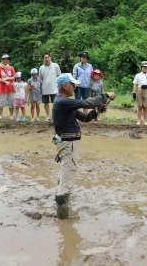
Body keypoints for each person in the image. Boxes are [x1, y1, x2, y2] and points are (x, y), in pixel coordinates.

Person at [52, 73, 115, 219]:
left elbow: (85, 118)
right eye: (72, 84)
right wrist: (105, 95)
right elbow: (87, 103)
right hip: (68, 144)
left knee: (66, 173)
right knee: (68, 176)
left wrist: (98, 110)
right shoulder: (62, 102)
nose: (75, 86)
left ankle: (63, 211)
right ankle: (62, 219)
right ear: (64, 85)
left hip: (69, 143)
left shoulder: (65, 103)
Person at [39, 52, 61, 122]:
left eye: (48, 57)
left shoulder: (55, 65)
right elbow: (40, 79)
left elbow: (59, 76)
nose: (47, 59)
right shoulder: (41, 68)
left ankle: (56, 116)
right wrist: (40, 89)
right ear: (43, 59)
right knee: (46, 103)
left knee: (56, 103)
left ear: (50, 58)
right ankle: (48, 116)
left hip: (54, 88)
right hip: (45, 88)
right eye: (45, 58)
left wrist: (60, 87)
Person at [132, 61, 147, 126]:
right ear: (141, 67)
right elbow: (135, 84)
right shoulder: (138, 75)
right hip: (139, 90)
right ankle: (139, 121)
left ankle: (145, 121)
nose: (145, 68)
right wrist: (134, 93)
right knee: (140, 106)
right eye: (143, 67)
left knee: (145, 107)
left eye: (146, 67)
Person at [0, 54, 16, 120]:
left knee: (11, 102)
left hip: (10, 87)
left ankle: (11, 115)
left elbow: (14, 77)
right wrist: (5, 81)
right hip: (2, 87)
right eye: (4, 59)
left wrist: (7, 78)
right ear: (1, 60)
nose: (6, 60)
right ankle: (0, 115)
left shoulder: (11, 68)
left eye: (7, 59)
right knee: (1, 101)